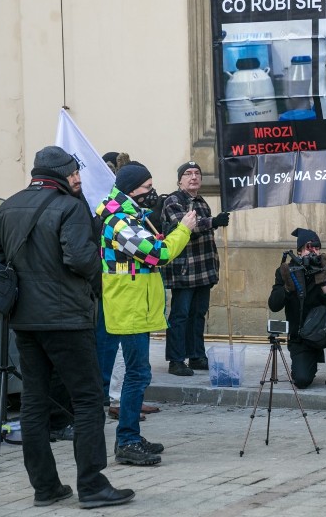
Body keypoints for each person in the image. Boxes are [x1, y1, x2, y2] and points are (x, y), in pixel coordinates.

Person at [0, 146, 134, 509]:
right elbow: (80, 259)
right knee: (87, 400)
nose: (79, 179)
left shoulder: (7, 206)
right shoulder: (70, 207)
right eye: (74, 173)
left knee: (33, 403)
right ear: (60, 174)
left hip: (24, 320)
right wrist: (93, 284)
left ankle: (46, 488)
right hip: (66, 319)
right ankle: (93, 487)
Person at [97, 162, 197, 466]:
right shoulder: (119, 223)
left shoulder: (131, 217)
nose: (150, 193)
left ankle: (131, 434)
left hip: (136, 305)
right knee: (138, 374)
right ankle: (126, 440)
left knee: (139, 373)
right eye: (146, 188)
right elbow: (158, 254)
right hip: (129, 307)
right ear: (130, 190)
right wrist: (184, 230)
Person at [161, 161, 230, 376]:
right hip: (184, 270)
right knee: (180, 315)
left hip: (204, 269)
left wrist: (213, 221)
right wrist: (213, 222)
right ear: (180, 179)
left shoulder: (201, 202)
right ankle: (176, 359)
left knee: (199, 314)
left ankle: (196, 355)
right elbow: (186, 227)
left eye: (197, 173)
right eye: (188, 174)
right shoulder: (173, 201)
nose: (193, 177)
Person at [267, 228, 326, 389]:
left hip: (325, 330)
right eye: (309, 247)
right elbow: (274, 305)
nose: (314, 251)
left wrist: (323, 285)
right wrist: (286, 288)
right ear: (299, 252)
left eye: (317, 247)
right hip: (301, 338)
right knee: (302, 380)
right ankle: (308, 359)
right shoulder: (286, 272)